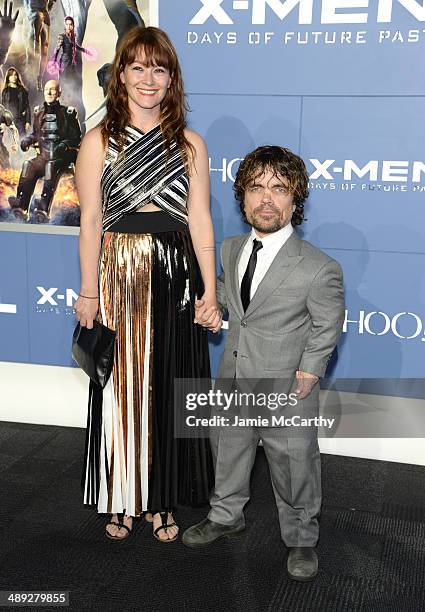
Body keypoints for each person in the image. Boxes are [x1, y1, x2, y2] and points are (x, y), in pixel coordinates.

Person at [74, 26, 216, 542]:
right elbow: (91, 221)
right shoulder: (98, 141)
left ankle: (160, 499)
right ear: (121, 75)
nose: (148, 78)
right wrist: (89, 289)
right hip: (120, 273)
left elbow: (199, 220)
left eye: (159, 68)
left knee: (169, 382)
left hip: (177, 270)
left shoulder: (190, 144)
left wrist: (211, 290)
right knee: (121, 386)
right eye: (138, 67)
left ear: (171, 78)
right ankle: (121, 496)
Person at [182, 146, 345, 581]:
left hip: (287, 386)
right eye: (256, 188)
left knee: (294, 465)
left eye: (279, 188)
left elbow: (328, 324)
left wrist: (310, 370)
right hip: (233, 378)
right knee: (227, 452)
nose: (266, 198)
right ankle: (225, 515)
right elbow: (230, 296)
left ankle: (301, 539)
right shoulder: (231, 248)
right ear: (242, 197)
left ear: (296, 199)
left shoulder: (318, 267)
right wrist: (209, 304)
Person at [8, 79, 81, 222]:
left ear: (59, 92)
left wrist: (64, 145)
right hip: (44, 155)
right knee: (28, 164)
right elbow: (35, 134)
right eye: (46, 89)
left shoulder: (68, 113)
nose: (48, 92)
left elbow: (76, 137)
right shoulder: (38, 112)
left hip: (61, 157)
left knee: (50, 166)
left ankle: (43, 209)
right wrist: (27, 141)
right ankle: (21, 206)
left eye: (52, 89)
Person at [2, 67, 31, 137]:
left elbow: (27, 107)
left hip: (20, 120)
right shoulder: (5, 91)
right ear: (8, 77)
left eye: (15, 75)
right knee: (10, 143)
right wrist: (2, 122)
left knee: (22, 140)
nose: (14, 77)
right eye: (11, 75)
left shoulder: (22, 90)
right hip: (8, 122)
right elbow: (3, 108)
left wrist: (28, 121)